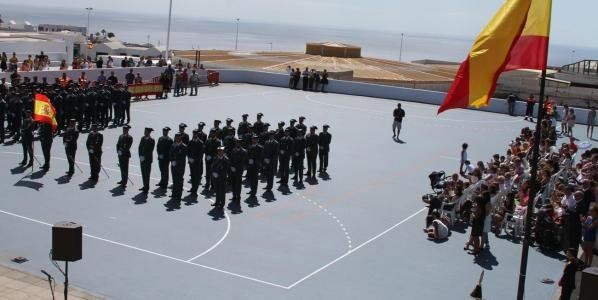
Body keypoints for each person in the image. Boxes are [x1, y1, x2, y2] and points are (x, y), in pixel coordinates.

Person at [169, 133, 187, 202]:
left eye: (178, 137)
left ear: (180, 138)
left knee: (179, 181)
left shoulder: (184, 146)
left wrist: (176, 162)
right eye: (176, 137)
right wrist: (172, 161)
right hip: (173, 166)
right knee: (174, 180)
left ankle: (178, 195)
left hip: (180, 167)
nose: (177, 138)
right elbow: (170, 154)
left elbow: (182, 158)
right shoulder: (173, 145)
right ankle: (174, 193)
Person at [229, 139, 247, 203]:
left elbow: (243, 162)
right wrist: (231, 167)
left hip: (239, 170)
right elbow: (230, 159)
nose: (238, 144)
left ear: (241, 144)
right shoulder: (233, 150)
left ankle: (238, 196)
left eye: (239, 143)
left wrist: (236, 168)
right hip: (233, 170)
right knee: (233, 183)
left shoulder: (244, 151)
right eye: (237, 143)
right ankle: (234, 195)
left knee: (238, 184)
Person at [187, 129, 205, 195]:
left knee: (196, 177)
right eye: (193, 133)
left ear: (197, 134)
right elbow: (188, 151)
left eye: (195, 133)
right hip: (191, 162)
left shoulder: (201, 143)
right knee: (192, 176)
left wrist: (194, 159)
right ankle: (192, 188)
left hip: (197, 163)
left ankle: (195, 190)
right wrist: (189, 158)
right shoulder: (190, 142)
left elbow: (201, 154)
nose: (194, 135)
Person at [138, 127, 155, 193]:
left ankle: (147, 187)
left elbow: (150, 150)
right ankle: (144, 185)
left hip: (147, 160)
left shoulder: (152, 140)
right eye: (145, 131)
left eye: (146, 132)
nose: (145, 133)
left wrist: (144, 156)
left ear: (149, 132)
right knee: (143, 173)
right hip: (142, 159)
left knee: (147, 174)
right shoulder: (142, 138)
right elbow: (139, 148)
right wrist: (140, 156)